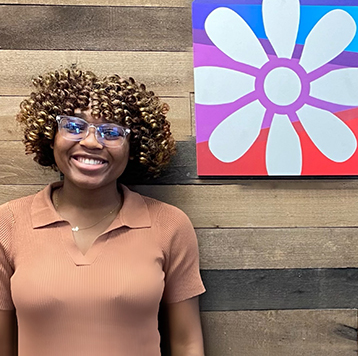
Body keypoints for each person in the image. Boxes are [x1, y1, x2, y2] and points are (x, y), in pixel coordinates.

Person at [0, 68, 205, 355]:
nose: (92, 142)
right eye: (73, 127)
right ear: (50, 134)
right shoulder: (7, 224)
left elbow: (187, 343)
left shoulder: (170, 224)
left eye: (111, 132)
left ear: (135, 146)